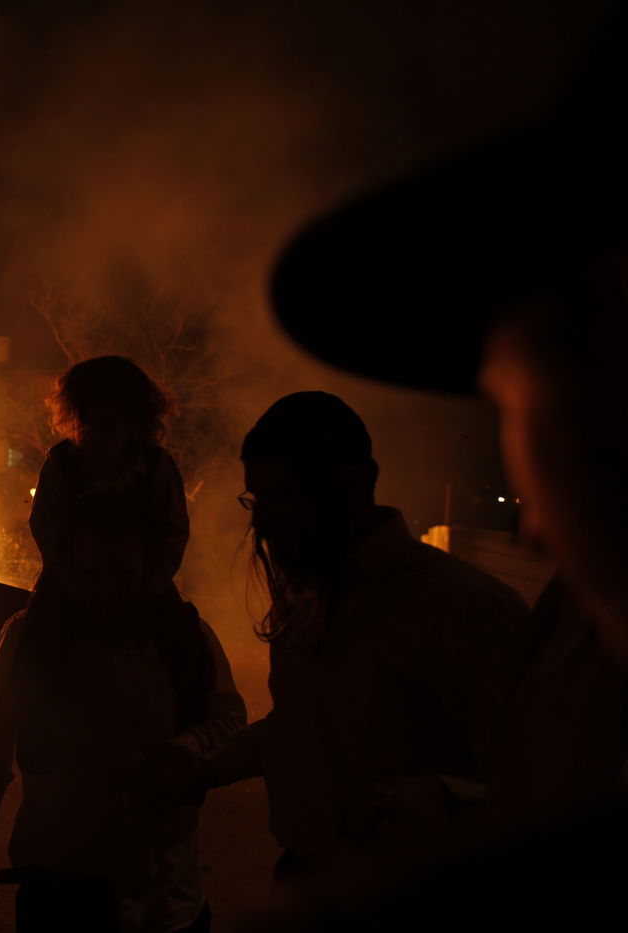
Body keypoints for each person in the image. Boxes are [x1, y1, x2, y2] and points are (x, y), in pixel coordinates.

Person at [242, 14, 628, 927]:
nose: (535, 523)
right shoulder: (314, 613)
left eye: (526, 407)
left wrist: (434, 833)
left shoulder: (471, 614)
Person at [167, 393, 532, 883]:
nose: (263, 523)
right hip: (308, 879)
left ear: (351, 486)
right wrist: (205, 770)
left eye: (281, 499)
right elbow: (301, 724)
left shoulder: (463, 609)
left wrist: (424, 806)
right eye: (256, 500)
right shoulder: (306, 601)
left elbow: (538, 788)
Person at [0, 511, 246, 933]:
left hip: (162, 895)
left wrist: (183, 751)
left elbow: (229, 720)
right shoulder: (31, 637)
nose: (108, 592)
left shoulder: (183, 638)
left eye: (124, 575)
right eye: (93, 576)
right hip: (57, 883)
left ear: (148, 572)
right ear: (68, 573)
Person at [15, 355, 191, 774]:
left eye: (109, 423)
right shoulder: (61, 462)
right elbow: (45, 525)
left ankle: (188, 737)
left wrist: (147, 586)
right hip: (72, 583)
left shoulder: (156, 467)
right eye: (89, 422)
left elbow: (174, 531)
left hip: (142, 587)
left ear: (134, 421)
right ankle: (25, 731)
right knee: (34, 637)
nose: (96, 434)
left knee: (182, 641)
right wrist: (67, 579)